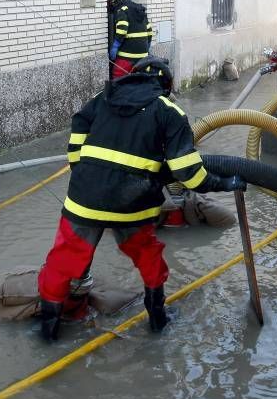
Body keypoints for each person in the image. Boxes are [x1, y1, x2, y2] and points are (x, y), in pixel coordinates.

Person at [37, 57, 246, 341]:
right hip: (132, 207)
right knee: (148, 258)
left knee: (62, 262)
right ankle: (158, 321)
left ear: (132, 76)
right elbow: (188, 173)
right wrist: (225, 183)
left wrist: (85, 175)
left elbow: (76, 138)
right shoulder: (169, 111)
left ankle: (47, 333)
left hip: (83, 200)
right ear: (167, 85)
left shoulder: (102, 98)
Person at [108, 0, 154, 79]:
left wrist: (115, 47)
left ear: (114, 3)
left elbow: (122, 31)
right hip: (143, 56)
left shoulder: (121, 10)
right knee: (138, 79)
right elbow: (150, 32)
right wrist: (146, 49)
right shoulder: (138, 9)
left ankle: (120, 93)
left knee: (118, 76)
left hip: (127, 56)